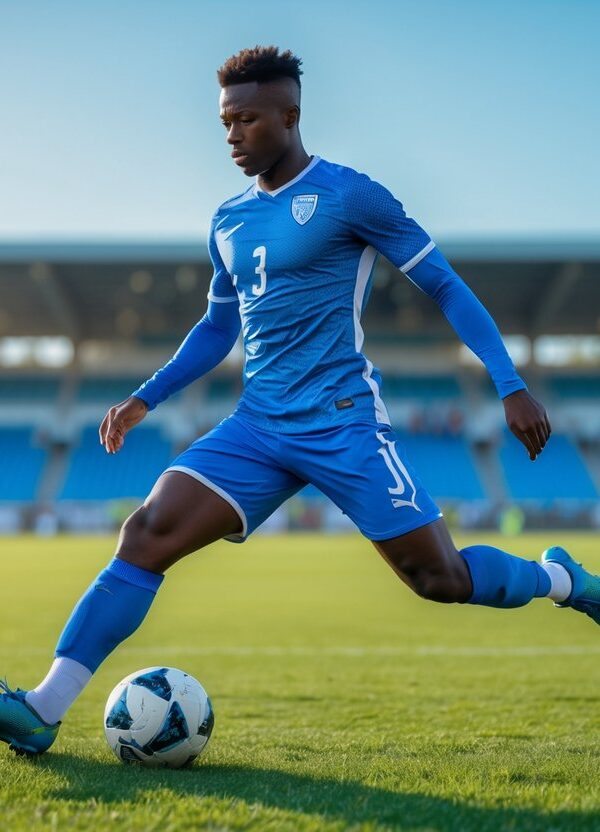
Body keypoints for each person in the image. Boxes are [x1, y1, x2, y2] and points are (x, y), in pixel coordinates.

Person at [1, 45, 598, 756]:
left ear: (289, 117)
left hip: (343, 422)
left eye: (246, 120)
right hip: (257, 425)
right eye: (224, 121)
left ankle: (563, 578)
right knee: (147, 532)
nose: (231, 135)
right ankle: (42, 710)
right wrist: (144, 397)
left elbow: (444, 284)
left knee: (440, 578)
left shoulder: (351, 195)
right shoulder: (227, 219)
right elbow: (218, 328)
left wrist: (510, 382)